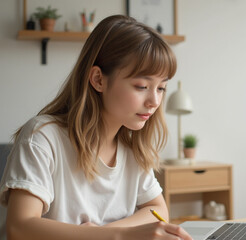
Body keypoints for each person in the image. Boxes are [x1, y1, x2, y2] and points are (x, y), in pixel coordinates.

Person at [0, 15, 192, 240]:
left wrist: (102, 234)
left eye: (161, 88)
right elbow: (20, 227)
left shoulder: (132, 148)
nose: (154, 101)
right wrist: (120, 236)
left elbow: (158, 210)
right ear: (98, 79)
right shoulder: (42, 137)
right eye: (142, 86)